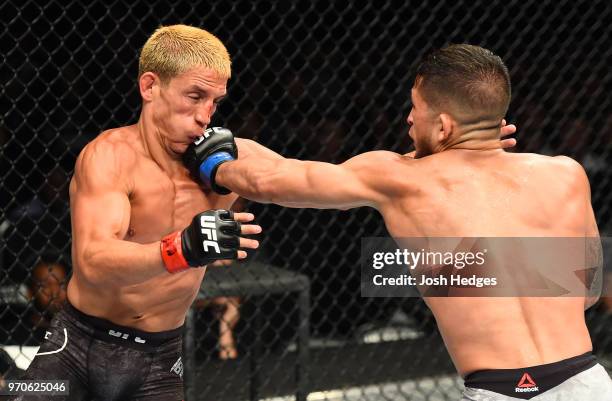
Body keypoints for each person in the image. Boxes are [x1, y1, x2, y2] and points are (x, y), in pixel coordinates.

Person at [200, 44, 611, 400]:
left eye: (416, 109)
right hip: (588, 383)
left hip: (501, 391)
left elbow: (276, 180)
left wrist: (212, 157)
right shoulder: (565, 174)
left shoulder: (399, 178)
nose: (409, 120)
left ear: (445, 124)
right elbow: (588, 295)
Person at [17, 25, 261, 401]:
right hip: (76, 343)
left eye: (215, 102)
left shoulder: (227, 162)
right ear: (150, 87)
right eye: (195, 96)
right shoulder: (108, 155)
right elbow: (93, 260)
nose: (205, 117)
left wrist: (384, 186)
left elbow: (315, 177)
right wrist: (183, 249)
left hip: (159, 358)